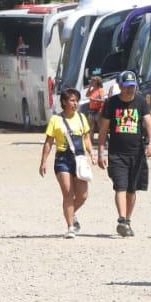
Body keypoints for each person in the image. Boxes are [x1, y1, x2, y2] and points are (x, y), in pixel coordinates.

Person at [97, 70, 151, 237]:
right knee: (120, 186)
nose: (130, 90)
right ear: (120, 86)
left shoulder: (141, 102)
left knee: (132, 189)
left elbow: (149, 126)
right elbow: (103, 131)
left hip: (137, 154)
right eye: (127, 87)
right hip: (117, 154)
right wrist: (101, 153)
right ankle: (122, 219)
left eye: (132, 87)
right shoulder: (111, 103)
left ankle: (127, 221)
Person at [40, 88, 97, 238]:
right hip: (62, 159)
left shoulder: (81, 118)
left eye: (76, 100)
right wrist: (43, 161)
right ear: (64, 102)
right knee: (68, 193)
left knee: (83, 195)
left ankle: (71, 213)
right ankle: (70, 226)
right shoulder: (55, 120)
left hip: (79, 158)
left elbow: (86, 138)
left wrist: (93, 153)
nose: (75, 103)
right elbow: (48, 142)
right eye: (72, 100)